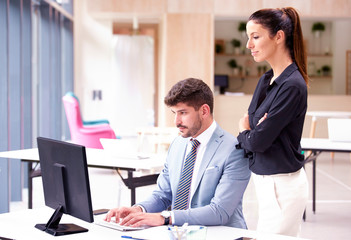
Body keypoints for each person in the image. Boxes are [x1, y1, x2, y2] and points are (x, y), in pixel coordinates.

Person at [105, 78, 251, 228]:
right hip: (179, 233)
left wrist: (165, 217)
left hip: (220, 234)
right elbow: (163, 195)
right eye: (174, 113)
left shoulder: (234, 149)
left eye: (183, 113)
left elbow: (220, 211)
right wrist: (138, 210)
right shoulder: (178, 144)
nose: (176, 121)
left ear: (204, 111)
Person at [236, 7, 309, 237]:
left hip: (283, 187)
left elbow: (256, 140)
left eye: (255, 37)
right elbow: (253, 124)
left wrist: (245, 131)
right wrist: (252, 130)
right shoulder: (266, 79)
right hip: (265, 183)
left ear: (279, 37)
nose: (249, 45)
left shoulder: (293, 85)